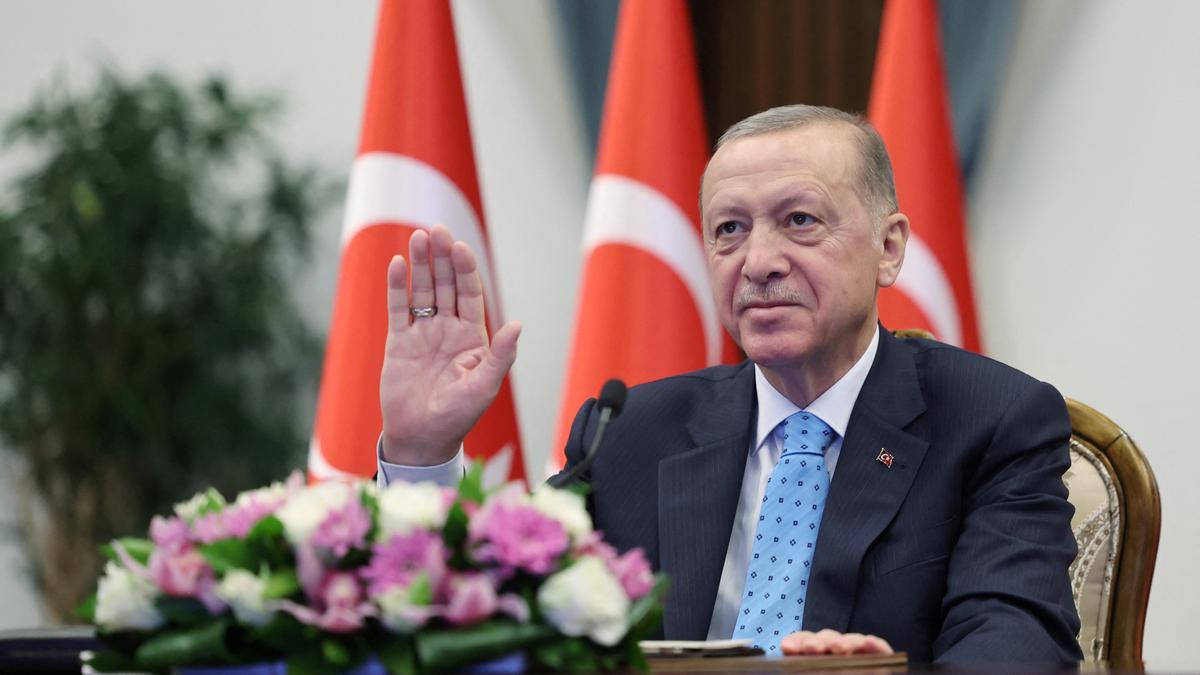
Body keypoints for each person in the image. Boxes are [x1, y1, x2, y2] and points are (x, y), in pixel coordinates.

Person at [376, 105, 1083, 664]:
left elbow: (1016, 641)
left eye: (799, 221)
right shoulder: (630, 430)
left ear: (888, 248)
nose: (759, 261)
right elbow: (492, 619)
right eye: (729, 230)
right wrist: (422, 453)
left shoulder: (994, 421)